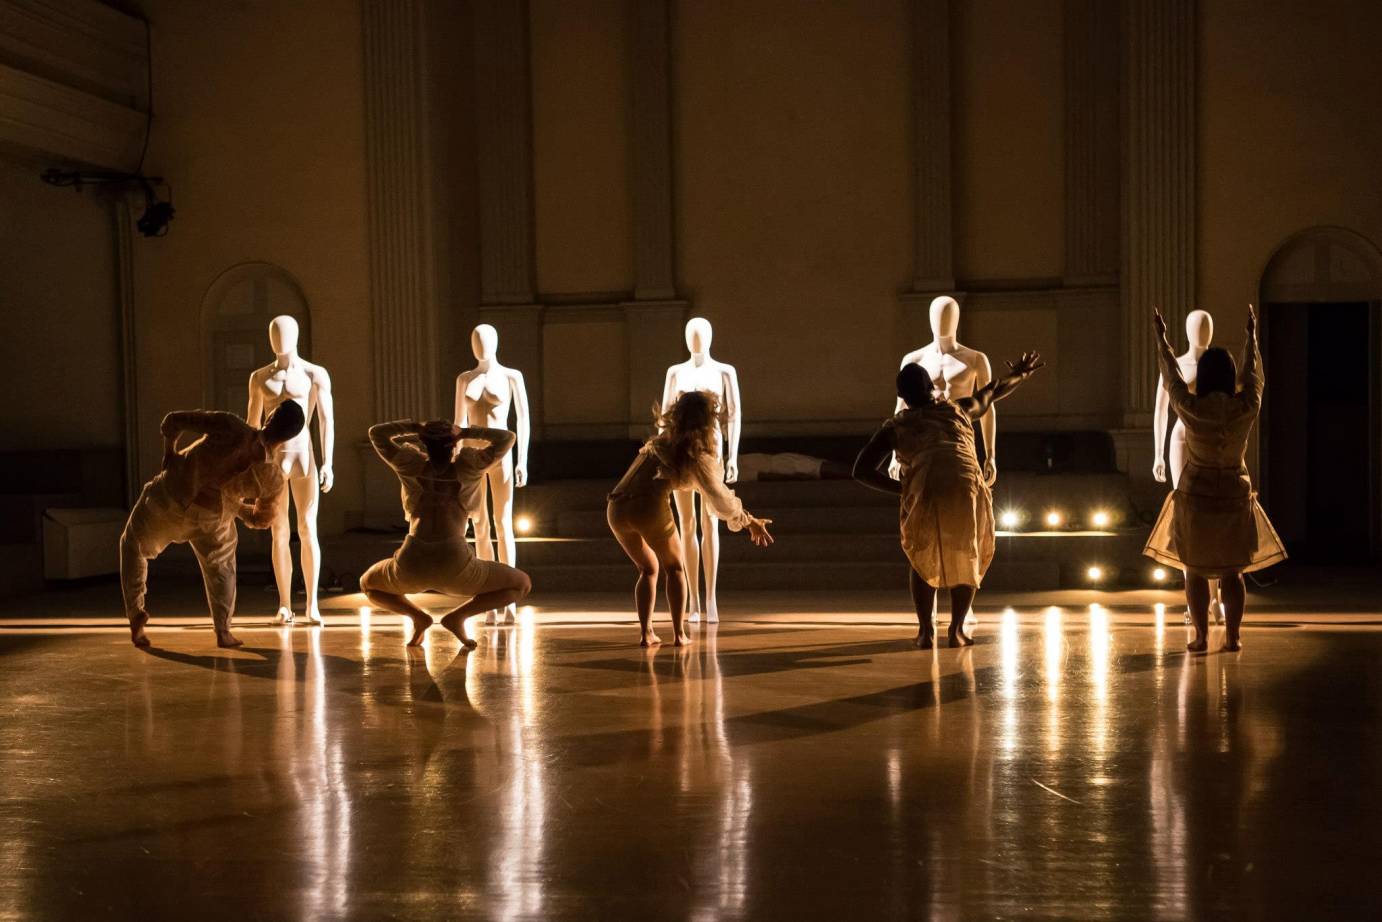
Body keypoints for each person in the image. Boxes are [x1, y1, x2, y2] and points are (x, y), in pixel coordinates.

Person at [853, 353, 1044, 649]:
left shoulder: (895, 427)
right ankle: (956, 630)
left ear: (902, 396)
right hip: (964, 483)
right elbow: (992, 390)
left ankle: (925, 632)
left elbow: (860, 470)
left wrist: (902, 490)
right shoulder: (958, 409)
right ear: (932, 388)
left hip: (925, 487)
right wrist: (1021, 374)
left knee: (920, 554)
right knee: (966, 553)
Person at [1144, 306, 1286, 652]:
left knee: (1194, 568)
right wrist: (1251, 337)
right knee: (1233, 570)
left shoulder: (1192, 409)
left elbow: (1173, 379)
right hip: (1234, 490)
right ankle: (1234, 636)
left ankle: (1203, 636)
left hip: (1197, 493)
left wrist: (1162, 339)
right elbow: (1255, 377)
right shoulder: (1245, 407)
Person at [120, 402, 305, 649]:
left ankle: (136, 616)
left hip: (170, 497)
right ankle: (223, 631)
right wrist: (233, 503)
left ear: (270, 417)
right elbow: (260, 520)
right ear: (289, 438)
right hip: (212, 517)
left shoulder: (231, 425)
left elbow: (172, 420)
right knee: (222, 567)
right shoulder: (273, 479)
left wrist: (169, 453)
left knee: (133, 543)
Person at [607, 391, 773, 647]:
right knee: (674, 568)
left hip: (616, 507)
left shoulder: (661, 440)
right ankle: (678, 634)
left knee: (648, 568)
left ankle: (646, 633)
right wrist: (748, 520)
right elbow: (719, 497)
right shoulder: (694, 450)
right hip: (647, 507)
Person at [361, 420, 532, 648]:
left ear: (424, 443)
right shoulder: (469, 468)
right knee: (522, 584)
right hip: (455, 563)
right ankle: (458, 616)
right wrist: (464, 433)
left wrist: (415, 427)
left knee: (367, 584)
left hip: (412, 559)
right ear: (453, 445)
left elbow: (376, 432)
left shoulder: (408, 465)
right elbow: (507, 437)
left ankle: (418, 617)